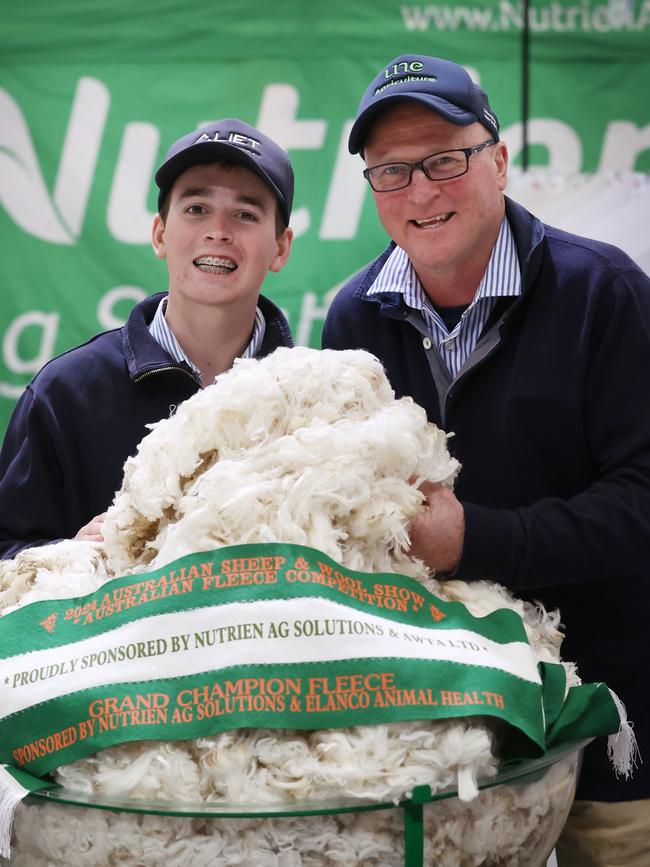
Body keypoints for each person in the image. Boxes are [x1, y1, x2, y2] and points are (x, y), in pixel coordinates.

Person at [322, 54, 650, 865]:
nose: (421, 192)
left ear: (498, 160)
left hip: (607, 733)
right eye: (391, 171)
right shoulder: (351, 320)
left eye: (444, 159)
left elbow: (643, 501)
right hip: (439, 751)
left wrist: (479, 539)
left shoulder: (603, 294)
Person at [0, 118, 294, 559]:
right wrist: (68, 556)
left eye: (246, 214)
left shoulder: (313, 404)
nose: (218, 230)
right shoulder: (65, 393)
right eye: (196, 209)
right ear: (160, 234)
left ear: (281, 249)